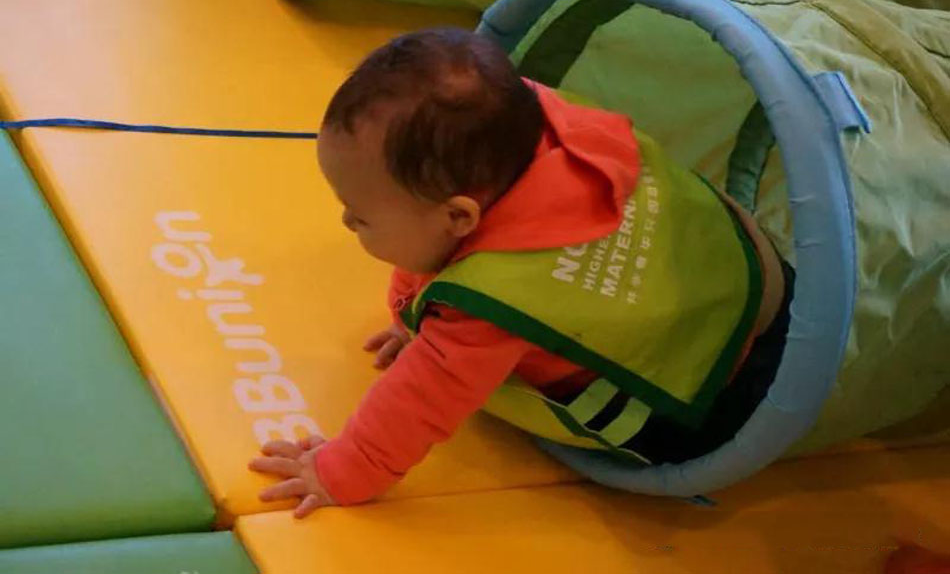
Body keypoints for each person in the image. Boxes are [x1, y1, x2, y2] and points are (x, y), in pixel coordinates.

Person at [249, 27, 791, 517]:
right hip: (754, 274)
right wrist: (407, 314)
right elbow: (432, 248)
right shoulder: (530, 131)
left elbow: (419, 403)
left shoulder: (488, 307)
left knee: (484, 328)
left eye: (360, 215)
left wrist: (338, 472)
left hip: (714, 398)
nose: (345, 221)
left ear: (460, 216)